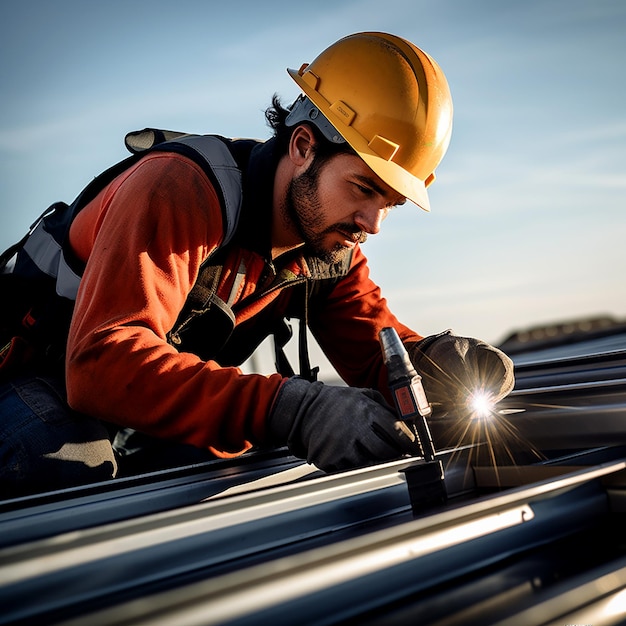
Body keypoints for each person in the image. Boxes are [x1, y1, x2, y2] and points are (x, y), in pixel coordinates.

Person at [0, 32, 514, 498]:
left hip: (120, 408)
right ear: (303, 146)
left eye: (389, 204)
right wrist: (291, 408)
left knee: (222, 470)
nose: (373, 223)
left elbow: (378, 354)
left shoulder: (327, 248)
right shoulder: (180, 189)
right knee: (69, 461)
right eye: (363, 189)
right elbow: (100, 367)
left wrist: (435, 361)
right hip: (26, 382)